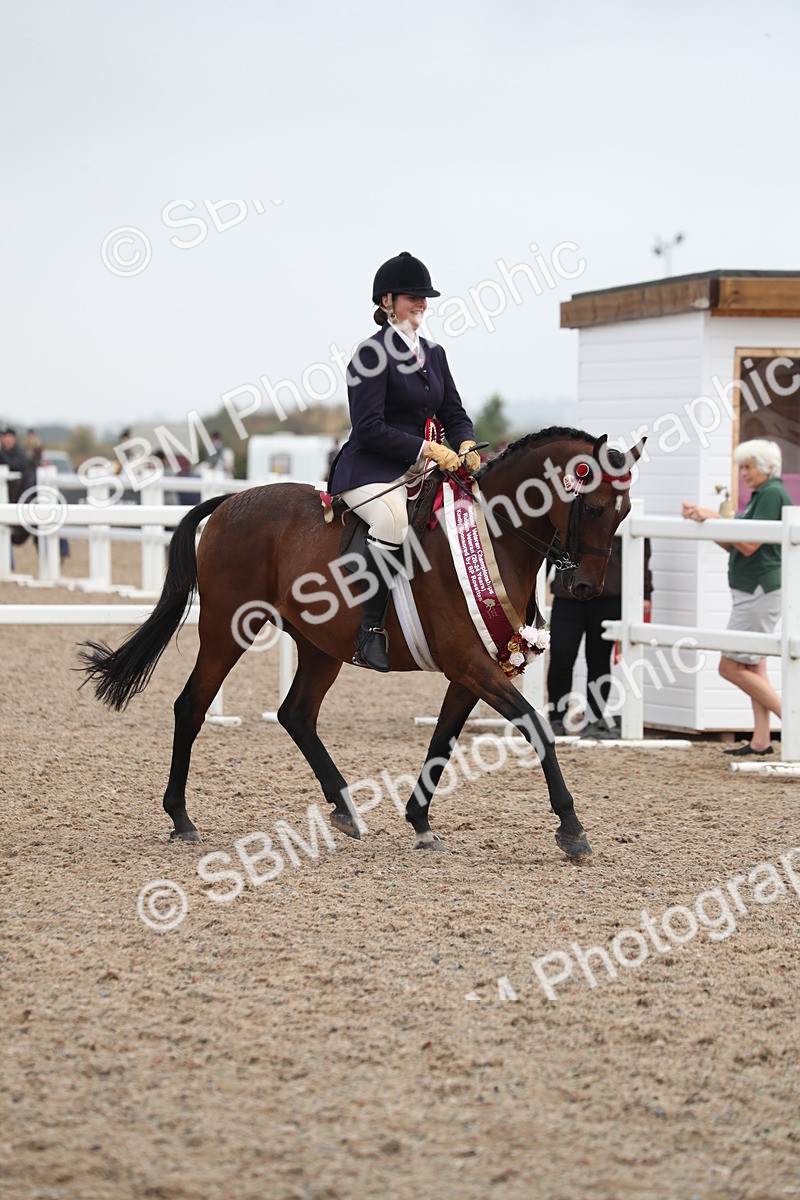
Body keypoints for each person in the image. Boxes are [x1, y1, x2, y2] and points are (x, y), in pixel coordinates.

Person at [328, 251, 480, 672]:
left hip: (422, 467)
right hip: (371, 468)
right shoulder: (369, 355)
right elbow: (369, 427)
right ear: (386, 301)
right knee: (392, 522)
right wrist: (427, 449)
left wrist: (464, 443)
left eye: (424, 297)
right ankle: (370, 629)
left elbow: (454, 412)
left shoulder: (435, 353)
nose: (421, 304)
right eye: (413, 297)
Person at [682, 439, 792, 756]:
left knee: (729, 667)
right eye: (741, 467)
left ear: (765, 467)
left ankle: (792, 722)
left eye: (748, 466)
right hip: (754, 588)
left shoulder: (770, 493)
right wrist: (706, 519)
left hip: (758, 590)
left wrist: (713, 517)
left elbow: (748, 544)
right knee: (754, 666)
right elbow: (736, 545)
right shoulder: (763, 495)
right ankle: (761, 740)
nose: (743, 473)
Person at [547, 536, 653, 738]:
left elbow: (641, 551)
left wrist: (645, 591)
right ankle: (557, 720)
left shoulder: (624, 509)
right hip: (568, 592)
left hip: (608, 593)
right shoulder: (564, 505)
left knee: (598, 660)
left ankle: (594, 720)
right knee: (561, 655)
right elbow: (548, 546)